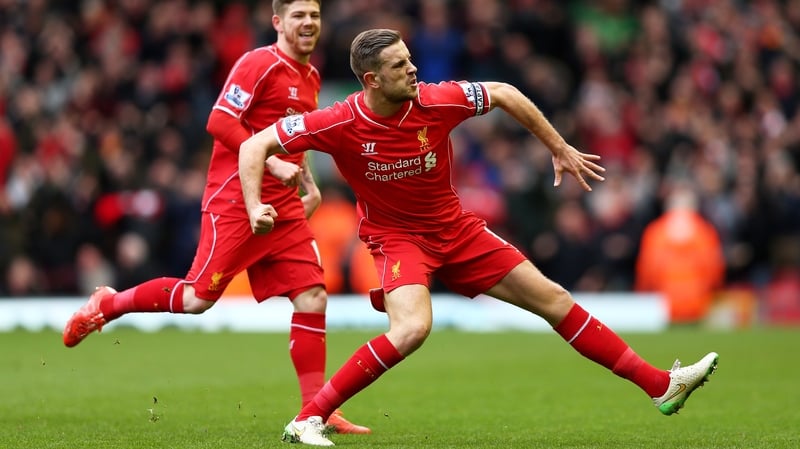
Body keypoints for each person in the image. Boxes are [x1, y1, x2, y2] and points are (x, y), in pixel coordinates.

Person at [239, 29, 719, 446]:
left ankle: (661, 385)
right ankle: (307, 419)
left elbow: (505, 92)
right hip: (398, 238)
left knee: (554, 299)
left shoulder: (437, 99)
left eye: (409, 59)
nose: (413, 69)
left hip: (456, 230)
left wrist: (559, 147)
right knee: (411, 329)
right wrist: (256, 204)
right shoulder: (340, 121)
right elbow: (254, 144)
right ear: (372, 80)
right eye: (399, 65)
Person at [62, 0, 369, 435]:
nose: (308, 23)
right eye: (299, 15)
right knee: (196, 299)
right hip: (235, 200)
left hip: (282, 205)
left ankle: (315, 411)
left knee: (313, 296)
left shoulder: (312, 75)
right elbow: (220, 121)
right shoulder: (257, 63)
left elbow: (294, 136)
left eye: (315, 15)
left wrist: (309, 182)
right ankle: (107, 304)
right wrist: (271, 165)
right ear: (278, 22)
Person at [636, 182, 726, 324]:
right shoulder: (705, 231)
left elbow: (647, 271)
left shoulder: (655, 232)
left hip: (664, 306)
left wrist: (644, 296)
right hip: (698, 303)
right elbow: (714, 270)